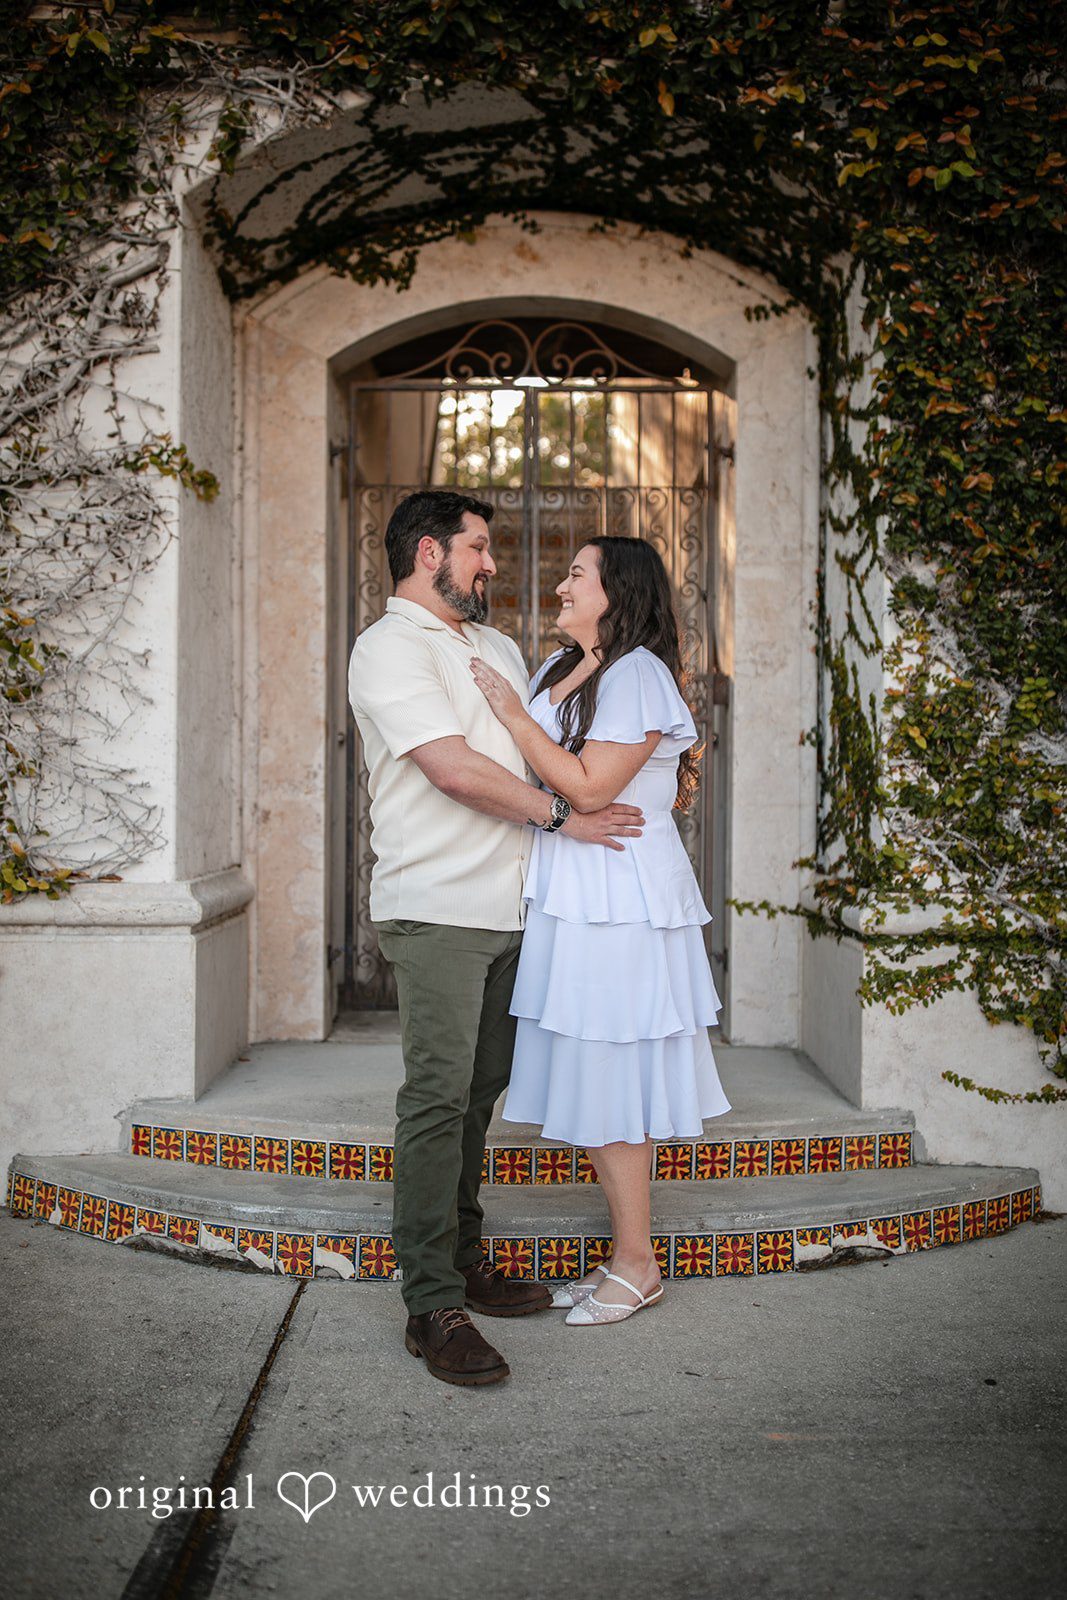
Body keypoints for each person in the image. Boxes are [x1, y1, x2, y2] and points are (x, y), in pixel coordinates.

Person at [347, 490, 645, 1387]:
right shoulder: (388, 646)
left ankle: (466, 1257)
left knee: (477, 1095)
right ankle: (431, 1302)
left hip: (517, 909)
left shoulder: (499, 647)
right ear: (430, 552)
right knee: (436, 1098)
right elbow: (451, 768)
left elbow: (547, 740)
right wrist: (562, 817)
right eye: (478, 549)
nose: (491, 564)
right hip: (436, 906)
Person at [469, 536, 732, 1327]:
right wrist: (535, 710)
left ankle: (637, 1262)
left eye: (575, 575)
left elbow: (587, 786)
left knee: (614, 1077)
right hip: (570, 889)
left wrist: (513, 714)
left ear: (615, 590)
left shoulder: (641, 675)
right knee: (589, 1072)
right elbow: (533, 775)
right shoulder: (562, 668)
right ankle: (625, 1255)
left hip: (621, 896)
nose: (559, 585)